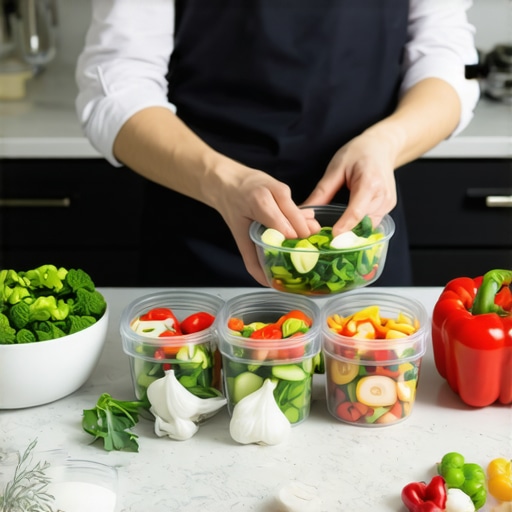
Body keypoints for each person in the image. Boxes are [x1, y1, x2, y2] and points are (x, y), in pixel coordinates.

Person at [75, 0, 480, 288]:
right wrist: (224, 183)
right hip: (203, 228)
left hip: (359, 239)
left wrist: (386, 143)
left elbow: (447, 60)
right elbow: (114, 86)